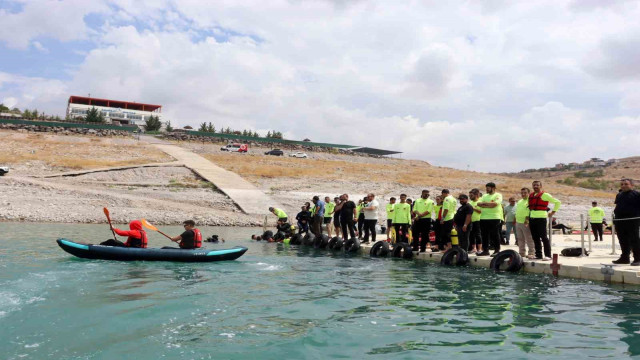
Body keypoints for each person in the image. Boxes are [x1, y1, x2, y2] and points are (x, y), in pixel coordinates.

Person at [528, 180, 561, 260]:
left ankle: (548, 255)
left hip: (541, 218)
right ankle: (538, 254)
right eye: (534, 185)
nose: (535, 186)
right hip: (532, 218)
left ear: (540, 186)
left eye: (537, 185)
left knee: (543, 237)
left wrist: (553, 212)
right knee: (535, 237)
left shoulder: (545, 195)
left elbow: (558, 202)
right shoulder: (531, 195)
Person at [612, 179, 640, 265]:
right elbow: (618, 206)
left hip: (632, 220)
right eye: (622, 184)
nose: (623, 186)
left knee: (634, 240)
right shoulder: (619, 195)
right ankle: (624, 258)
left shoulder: (636, 194)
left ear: (631, 185)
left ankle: (638, 258)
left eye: (626, 184)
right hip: (619, 221)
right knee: (623, 240)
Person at [477, 182, 503, 256]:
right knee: (484, 235)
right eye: (486, 188)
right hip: (483, 218)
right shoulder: (484, 196)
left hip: (494, 218)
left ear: (493, 188)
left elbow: (495, 204)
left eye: (488, 188)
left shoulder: (498, 195)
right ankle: (485, 251)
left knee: (495, 234)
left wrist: (484, 204)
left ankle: (497, 250)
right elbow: (478, 204)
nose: (486, 189)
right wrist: (489, 204)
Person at [515, 187, 535, 259]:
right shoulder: (520, 201)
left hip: (526, 222)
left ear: (528, 193)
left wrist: (527, 220)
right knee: (520, 238)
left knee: (529, 238)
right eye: (522, 193)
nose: (523, 194)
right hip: (518, 222)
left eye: (525, 193)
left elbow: (529, 211)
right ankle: (522, 253)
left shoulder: (530, 200)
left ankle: (531, 252)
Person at [468, 189, 483, 253]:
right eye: (469, 195)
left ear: (476, 195)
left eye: (471, 195)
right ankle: (474, 248)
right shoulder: (470, 203)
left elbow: (480, 211)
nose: (470, 197)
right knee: (471, 235)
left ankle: (479, 249)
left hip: (478, 220)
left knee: (478, 234)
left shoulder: (480, 201)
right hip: (471, 221)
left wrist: (473, 208)